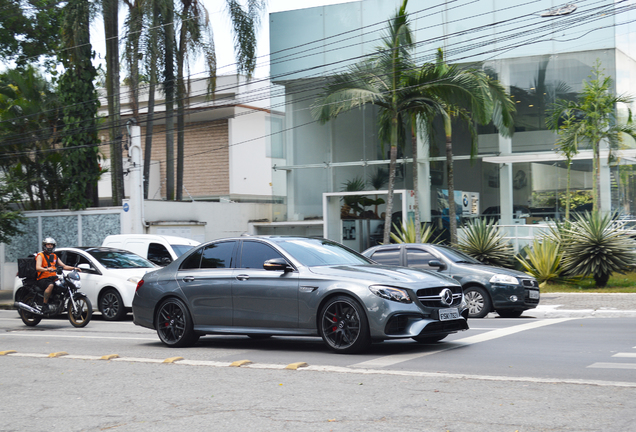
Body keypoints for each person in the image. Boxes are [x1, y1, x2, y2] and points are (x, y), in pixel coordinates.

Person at [36, 237, 80, 313]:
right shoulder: (40, 255)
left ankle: (59, 303)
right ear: (44, 246)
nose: (50, 246)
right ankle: (44, 305)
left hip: (53, 277)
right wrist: (47, 269)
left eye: (51, 245)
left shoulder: (54, 256)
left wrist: (74, 268)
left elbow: (64, 266)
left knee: (64, 284)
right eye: (48, 245)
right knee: (50, 285)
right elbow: (38, 267)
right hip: (43, 278)